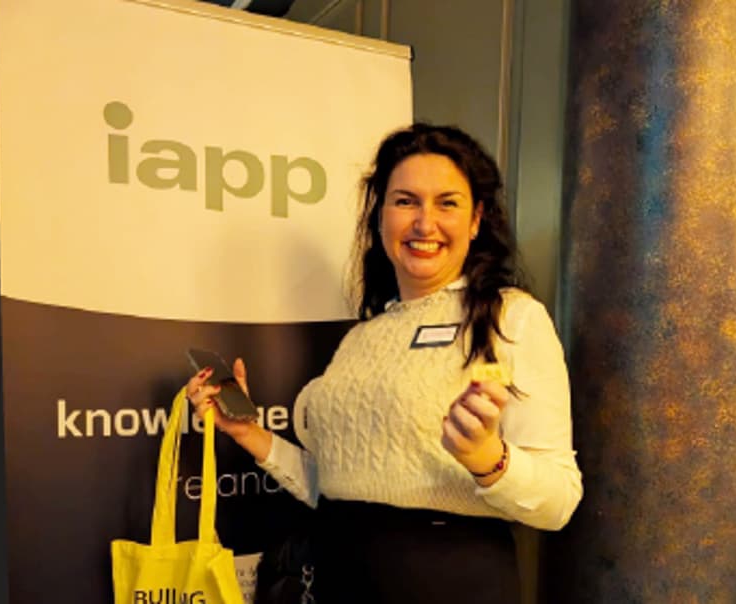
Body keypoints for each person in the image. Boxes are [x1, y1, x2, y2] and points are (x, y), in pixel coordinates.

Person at [185, 123, 582, 603]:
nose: (424, 222)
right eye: (406, 201)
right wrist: (248, 433)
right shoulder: (362, 337)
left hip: (450, 584)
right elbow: (333, 483)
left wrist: (488, 460)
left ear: (476, 220)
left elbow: (559, 502)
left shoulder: (512, 317)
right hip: (343, 576)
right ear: (380, 217)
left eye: (447, 203)